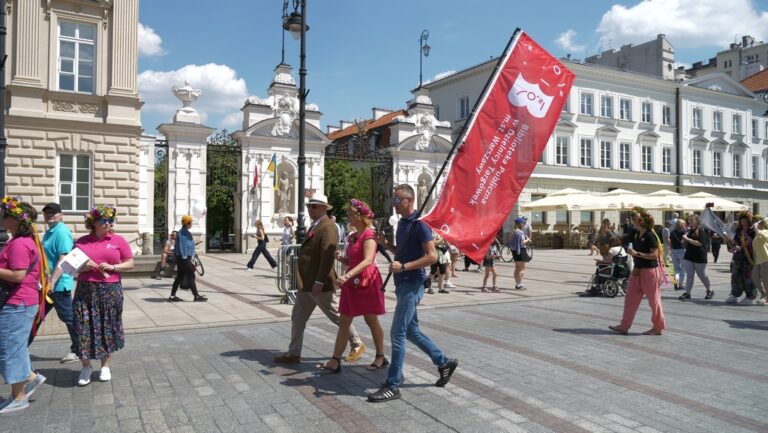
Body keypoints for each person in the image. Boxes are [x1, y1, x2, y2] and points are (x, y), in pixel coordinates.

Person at [368, 184, 458, 403]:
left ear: (409, 200)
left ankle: (393, 386)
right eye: (393, 200)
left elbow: (432, 256)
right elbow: (401, 253)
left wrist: (404, 267)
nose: (394, 204)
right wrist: (385, 243)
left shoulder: (421, 225)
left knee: (397, 333)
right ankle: (444, 362)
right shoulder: (402, 223)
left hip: (412, 284)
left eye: (397, 200)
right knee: (411, 332)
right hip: (402, 283)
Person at [273, 193, 366, 365]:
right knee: (298, 317)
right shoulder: (316, 225)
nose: (310, 209)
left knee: (337, 315)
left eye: (314, 206)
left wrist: (319, 281)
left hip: (319, 284)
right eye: (309, 206)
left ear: (324, 208)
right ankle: (294, 353)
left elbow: (327, 256)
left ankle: (357, 343)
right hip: (306, 283)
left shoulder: (328, 226)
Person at [317, 199, 386, 373]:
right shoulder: (353, 236)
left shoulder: (369, 235)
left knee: (371, 321)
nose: (347, 216)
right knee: (344, 322)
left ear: (360, 216)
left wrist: (347, 275)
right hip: (352, 283)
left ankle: (380, 356)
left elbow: (368, 260)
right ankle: (335, 360)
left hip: (366, 282)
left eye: (350, 214)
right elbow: (353, 261)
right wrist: (342, 259)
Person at [73, 205, 135, 386]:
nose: (108, 223)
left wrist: (113, 267)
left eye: (110, 220)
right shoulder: (81, 242)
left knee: (107, 326)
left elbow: (130, 263)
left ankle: (105, 366)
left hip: (110, 289)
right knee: (83, 327)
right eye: (104, 220)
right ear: (93, 222)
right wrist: (83, 267)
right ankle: (85, 367)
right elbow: (71, 267)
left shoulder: (118, 241)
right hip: (85, 290)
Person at [0, 197, 46, 414]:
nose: (2, 217)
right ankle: (30, 377)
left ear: (16, 220)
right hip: (19, 302)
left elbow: (18, 275)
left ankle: (19, 397)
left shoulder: (19, 244)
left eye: (5, 214)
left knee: (10, 349)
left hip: (17, 302)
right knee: (14, 347)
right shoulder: (19, 241)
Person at [609, 207, 665, 336]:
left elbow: (655, 255)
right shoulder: (636, 233)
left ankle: (658, 327)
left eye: (635, 218)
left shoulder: (650, 235)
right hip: (637, 271)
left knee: (654, 302)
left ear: (641, 221)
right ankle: (624, 326)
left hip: (650, 272)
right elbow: (623, 239)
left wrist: (636, 253)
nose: (632, 220)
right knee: (630, 299)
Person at [36, 203, 78, 363]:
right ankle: (20, 349)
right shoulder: (50, 232)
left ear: (61, 215)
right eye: (47, 213)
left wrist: (52, 281)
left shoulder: (61, 232)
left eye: (53, 213)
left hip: (58, 285)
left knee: (69, 318)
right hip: (47, 284)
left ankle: (79, 350)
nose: (49, 215)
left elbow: (64, 259)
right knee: (36, 317)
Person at [169, 216, 207, 302]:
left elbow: (189, 244)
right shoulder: (182, 233)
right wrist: (185, 258)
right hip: (183, 258)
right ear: (187, 223)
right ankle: (196, 296)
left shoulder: (185, 232)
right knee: (191, 275)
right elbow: (182, 246)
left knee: (179, 277)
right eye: (191, 222)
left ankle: (172, 296)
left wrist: (192, 252)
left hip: (183, 258)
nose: (191, 224)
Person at [678, 215, 713, 301]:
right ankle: (687, 293)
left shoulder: (701, 230)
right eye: (689, 220)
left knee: (701, 275)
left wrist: (687, 239)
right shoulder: (689, 230)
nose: (690, 222)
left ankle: (709, 290)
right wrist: (684, 239)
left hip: (699, 256)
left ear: (697, 221)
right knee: (689, 275)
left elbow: (699, 243)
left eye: (692, 220)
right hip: (689, 255)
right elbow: (683, 242)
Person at [725, 212, 757, 304]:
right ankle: (735, 294)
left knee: (748, 278)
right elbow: (735, 242)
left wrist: (741, 248)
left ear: (749, 220)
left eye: (745, 219)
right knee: (735, 276)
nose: (743, 221)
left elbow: (754, 244)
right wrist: (729, 242)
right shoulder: (739, 230)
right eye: (741, 219)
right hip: (737, 258)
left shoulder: (753, 231)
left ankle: (750, 296)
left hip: (749, 259)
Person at [510, 216, 530, 290]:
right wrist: (528, 239)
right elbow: (522, 242)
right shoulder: (520, 233)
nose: (524, 224)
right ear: (520, 224)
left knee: (516, 268)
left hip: (514, 251)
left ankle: (517, 284)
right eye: (523, 223)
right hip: (521, 251)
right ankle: (520, 284)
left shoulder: (514, 231)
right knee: (522, 269)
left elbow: (511, 241)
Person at [752, 217, 768, 305]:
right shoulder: (757, 234)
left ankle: (767, 297)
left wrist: (757, 230)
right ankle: (763, 294)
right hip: (758, 260)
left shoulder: (765, 231)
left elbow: (766, 238)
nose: (755, 224)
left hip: (766, 258)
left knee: (766, 279)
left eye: (757, 223)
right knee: (754, 277)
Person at [668, 219, 687, 291]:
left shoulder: (672, 232)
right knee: (683, 268)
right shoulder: (683, 232)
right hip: (681, 251)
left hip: (673, 251)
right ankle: (681, 284)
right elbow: (682, 242)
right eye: (684, 224)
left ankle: (676, 282)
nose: (685, 225)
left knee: (676, 269)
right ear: (681, 225)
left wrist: (671, 249)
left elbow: (670, 241)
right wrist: (685, 238)